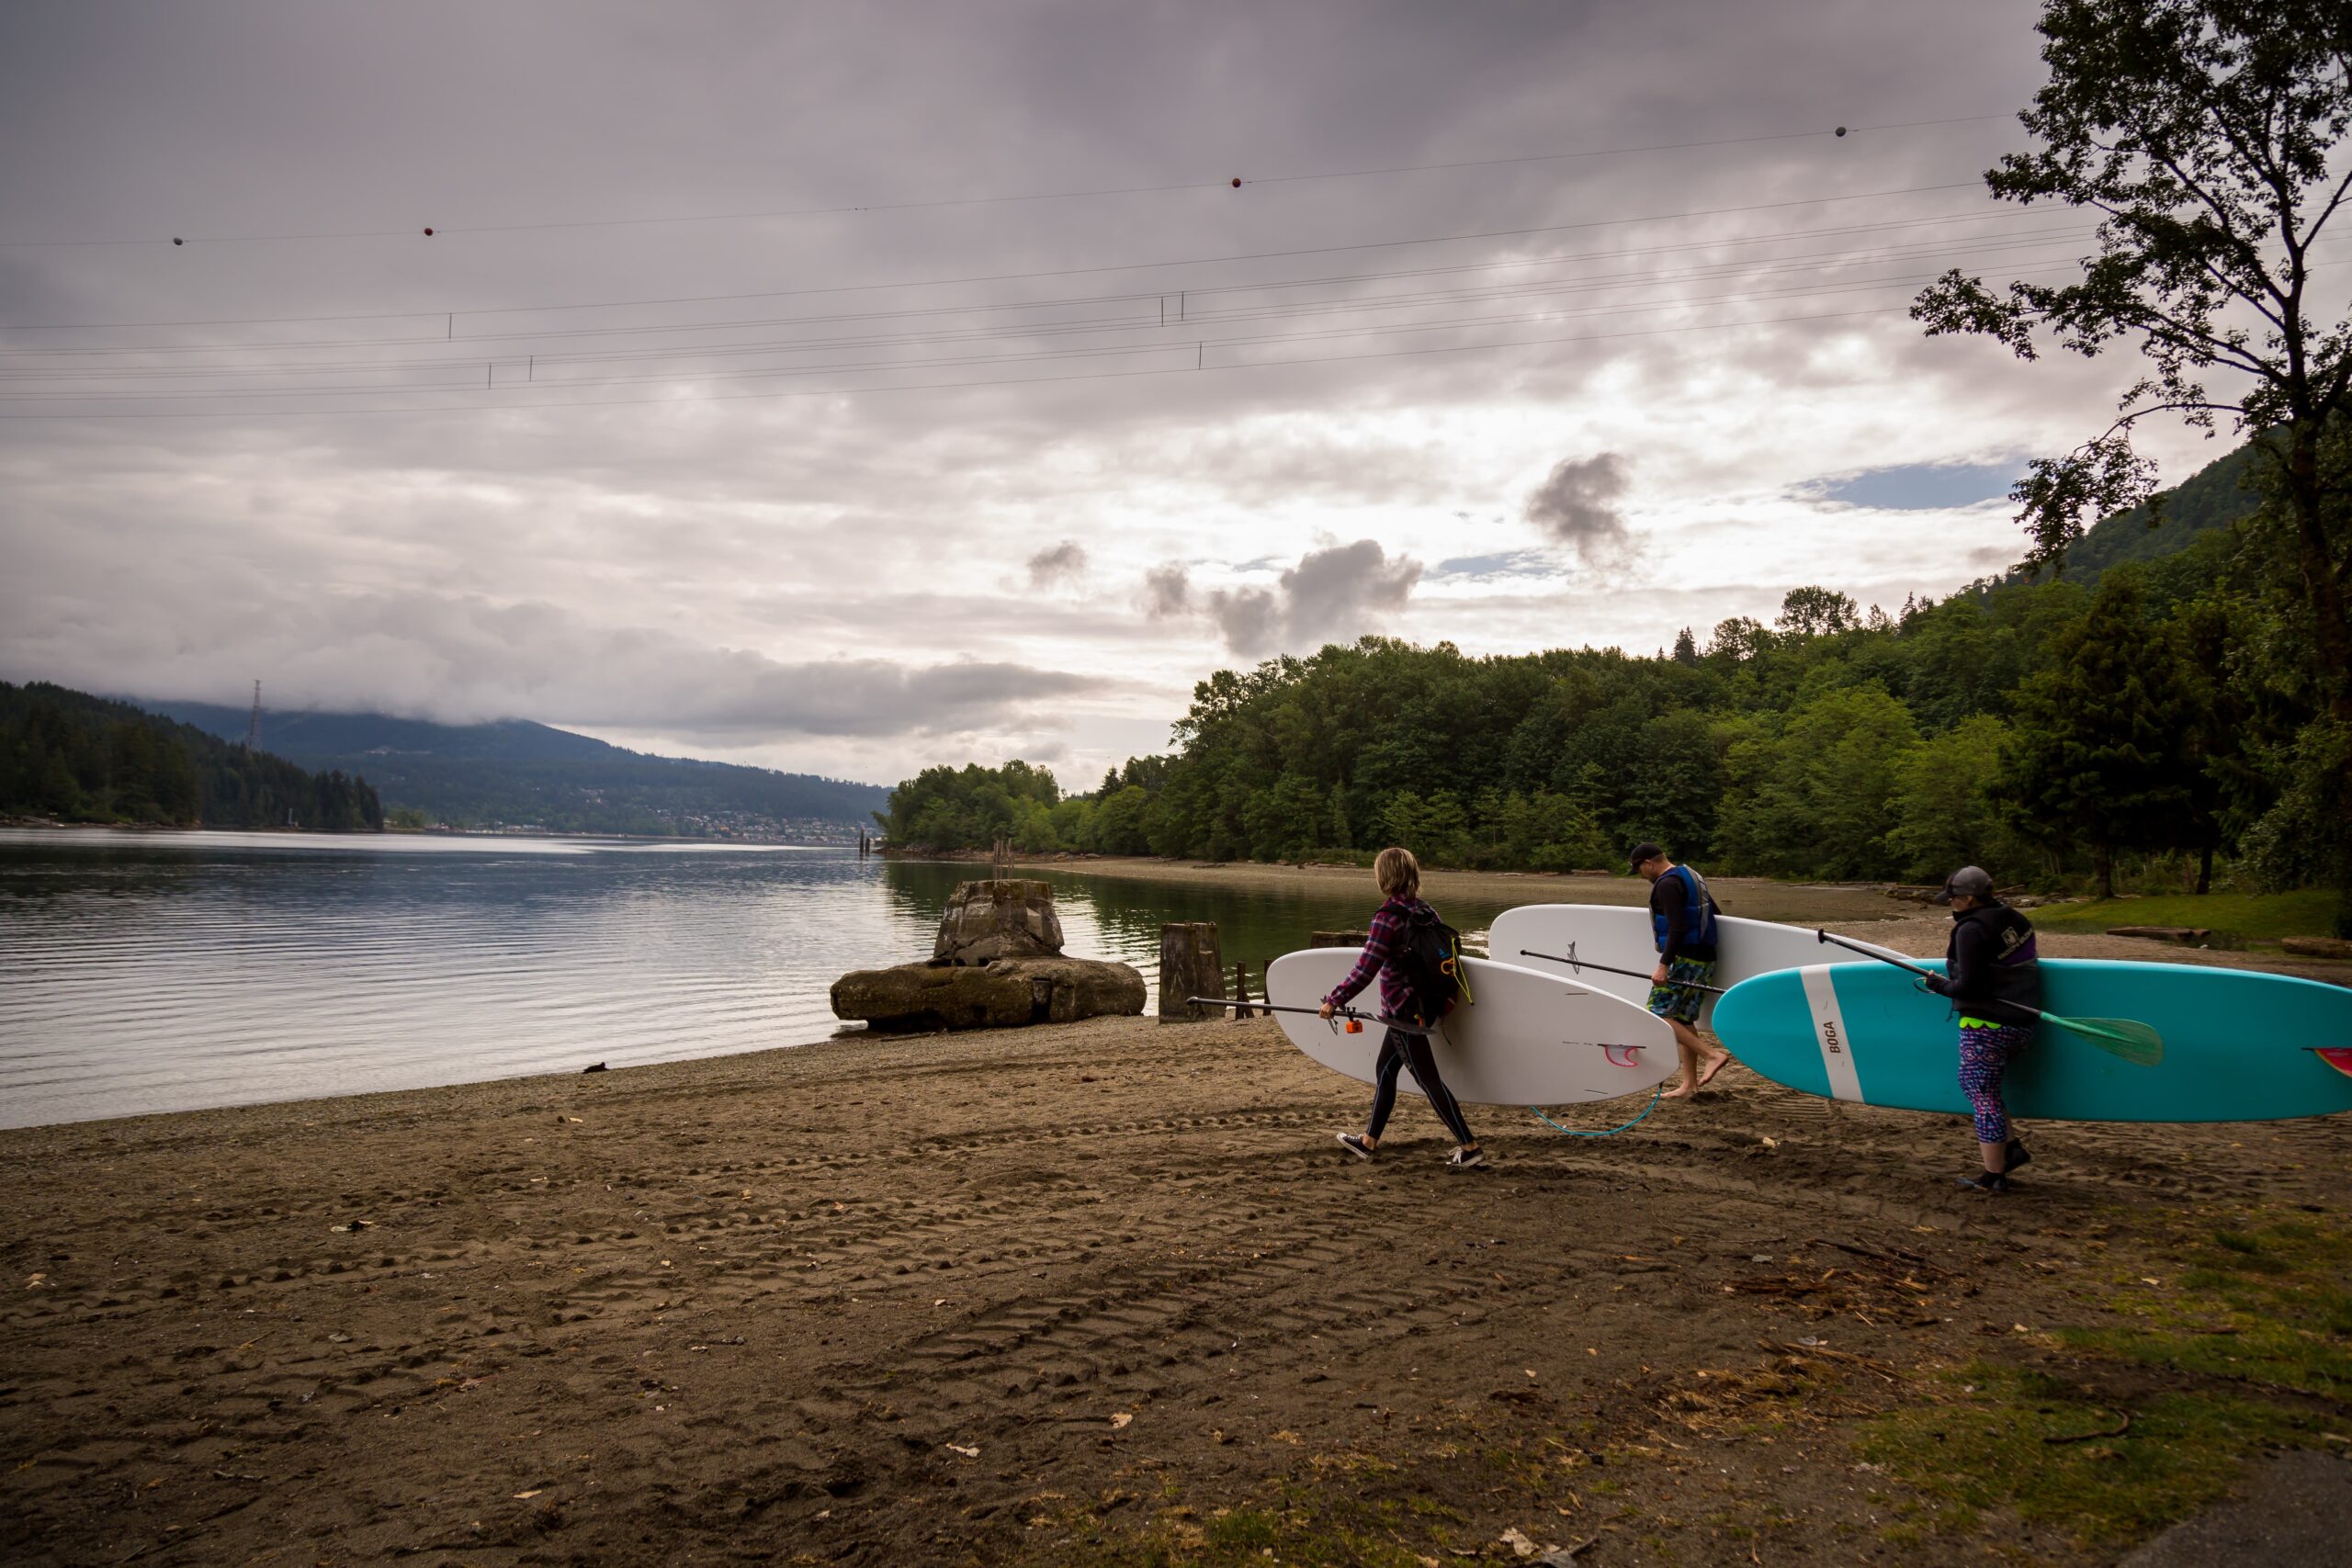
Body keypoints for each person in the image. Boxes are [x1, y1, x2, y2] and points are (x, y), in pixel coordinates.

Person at [1318, 846, 1484, 1169]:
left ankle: (1469, 1146)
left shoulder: (1387, 918)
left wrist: (1334, 1000)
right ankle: (1368, 1142)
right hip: (1423, 1005)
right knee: (1386, 1069)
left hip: (1404, 1011)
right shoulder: (1425, 911)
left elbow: (1365, 968)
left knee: (1427, 1080)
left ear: (1385, 877)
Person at [1922, 865, 2040, 1193]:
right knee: (1984, 1087)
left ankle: (1994, 1176)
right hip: (2022, 1022)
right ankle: (2011, 1149)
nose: (1951, 904)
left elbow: (1969, 986)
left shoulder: (1970, 930)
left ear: (1970, 897)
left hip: (1987, 1025)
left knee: (1981, 1094)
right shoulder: (2015, 919)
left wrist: (1938, 985)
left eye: (1955, 899)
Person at [1630, 841, 1731, 1098]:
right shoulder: (1691, 875)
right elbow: (1714, 913)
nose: (1641, 876)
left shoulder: (1666, 885)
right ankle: (1689, 1085)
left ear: (1648, 864)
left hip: (1684, 958)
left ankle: (1712, 1055)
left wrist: (1663, 965)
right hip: (1704, 957)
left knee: (1658, 1013)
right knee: (1684, 1019)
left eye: (1639, 870)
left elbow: (1677, 928)